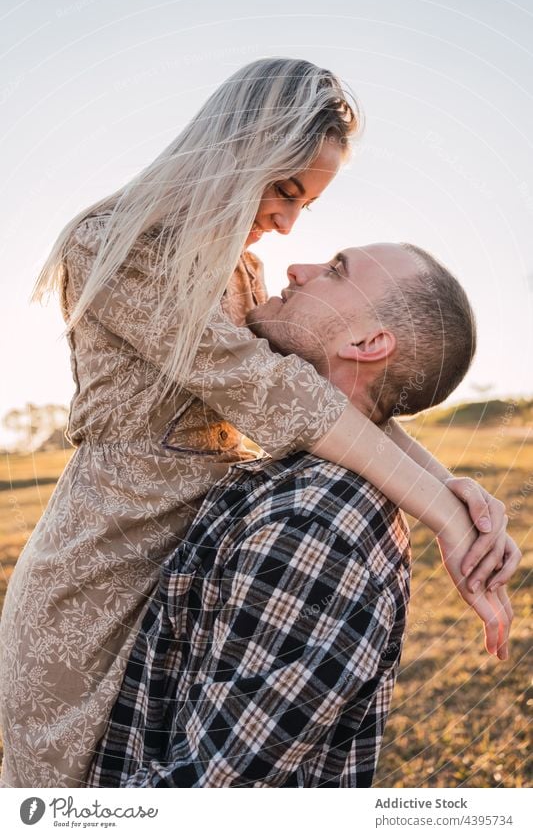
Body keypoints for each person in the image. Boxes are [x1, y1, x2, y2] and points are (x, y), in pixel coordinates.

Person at [0, 59, 516, 788]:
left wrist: (451, 486)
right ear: (235, 152)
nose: (286, 223)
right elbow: (275, 394)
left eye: (305, 203)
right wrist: (443, 517)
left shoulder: (241, 274)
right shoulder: (115, 246)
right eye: (285, 190)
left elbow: (327, 399)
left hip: (187, 582)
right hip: (95, 588)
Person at [87, 243, 514, 788]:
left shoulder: (313, 522)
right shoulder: (302, 484)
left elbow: (211, 790)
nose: (297, 267)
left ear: (366, 343)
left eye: (336, 270)